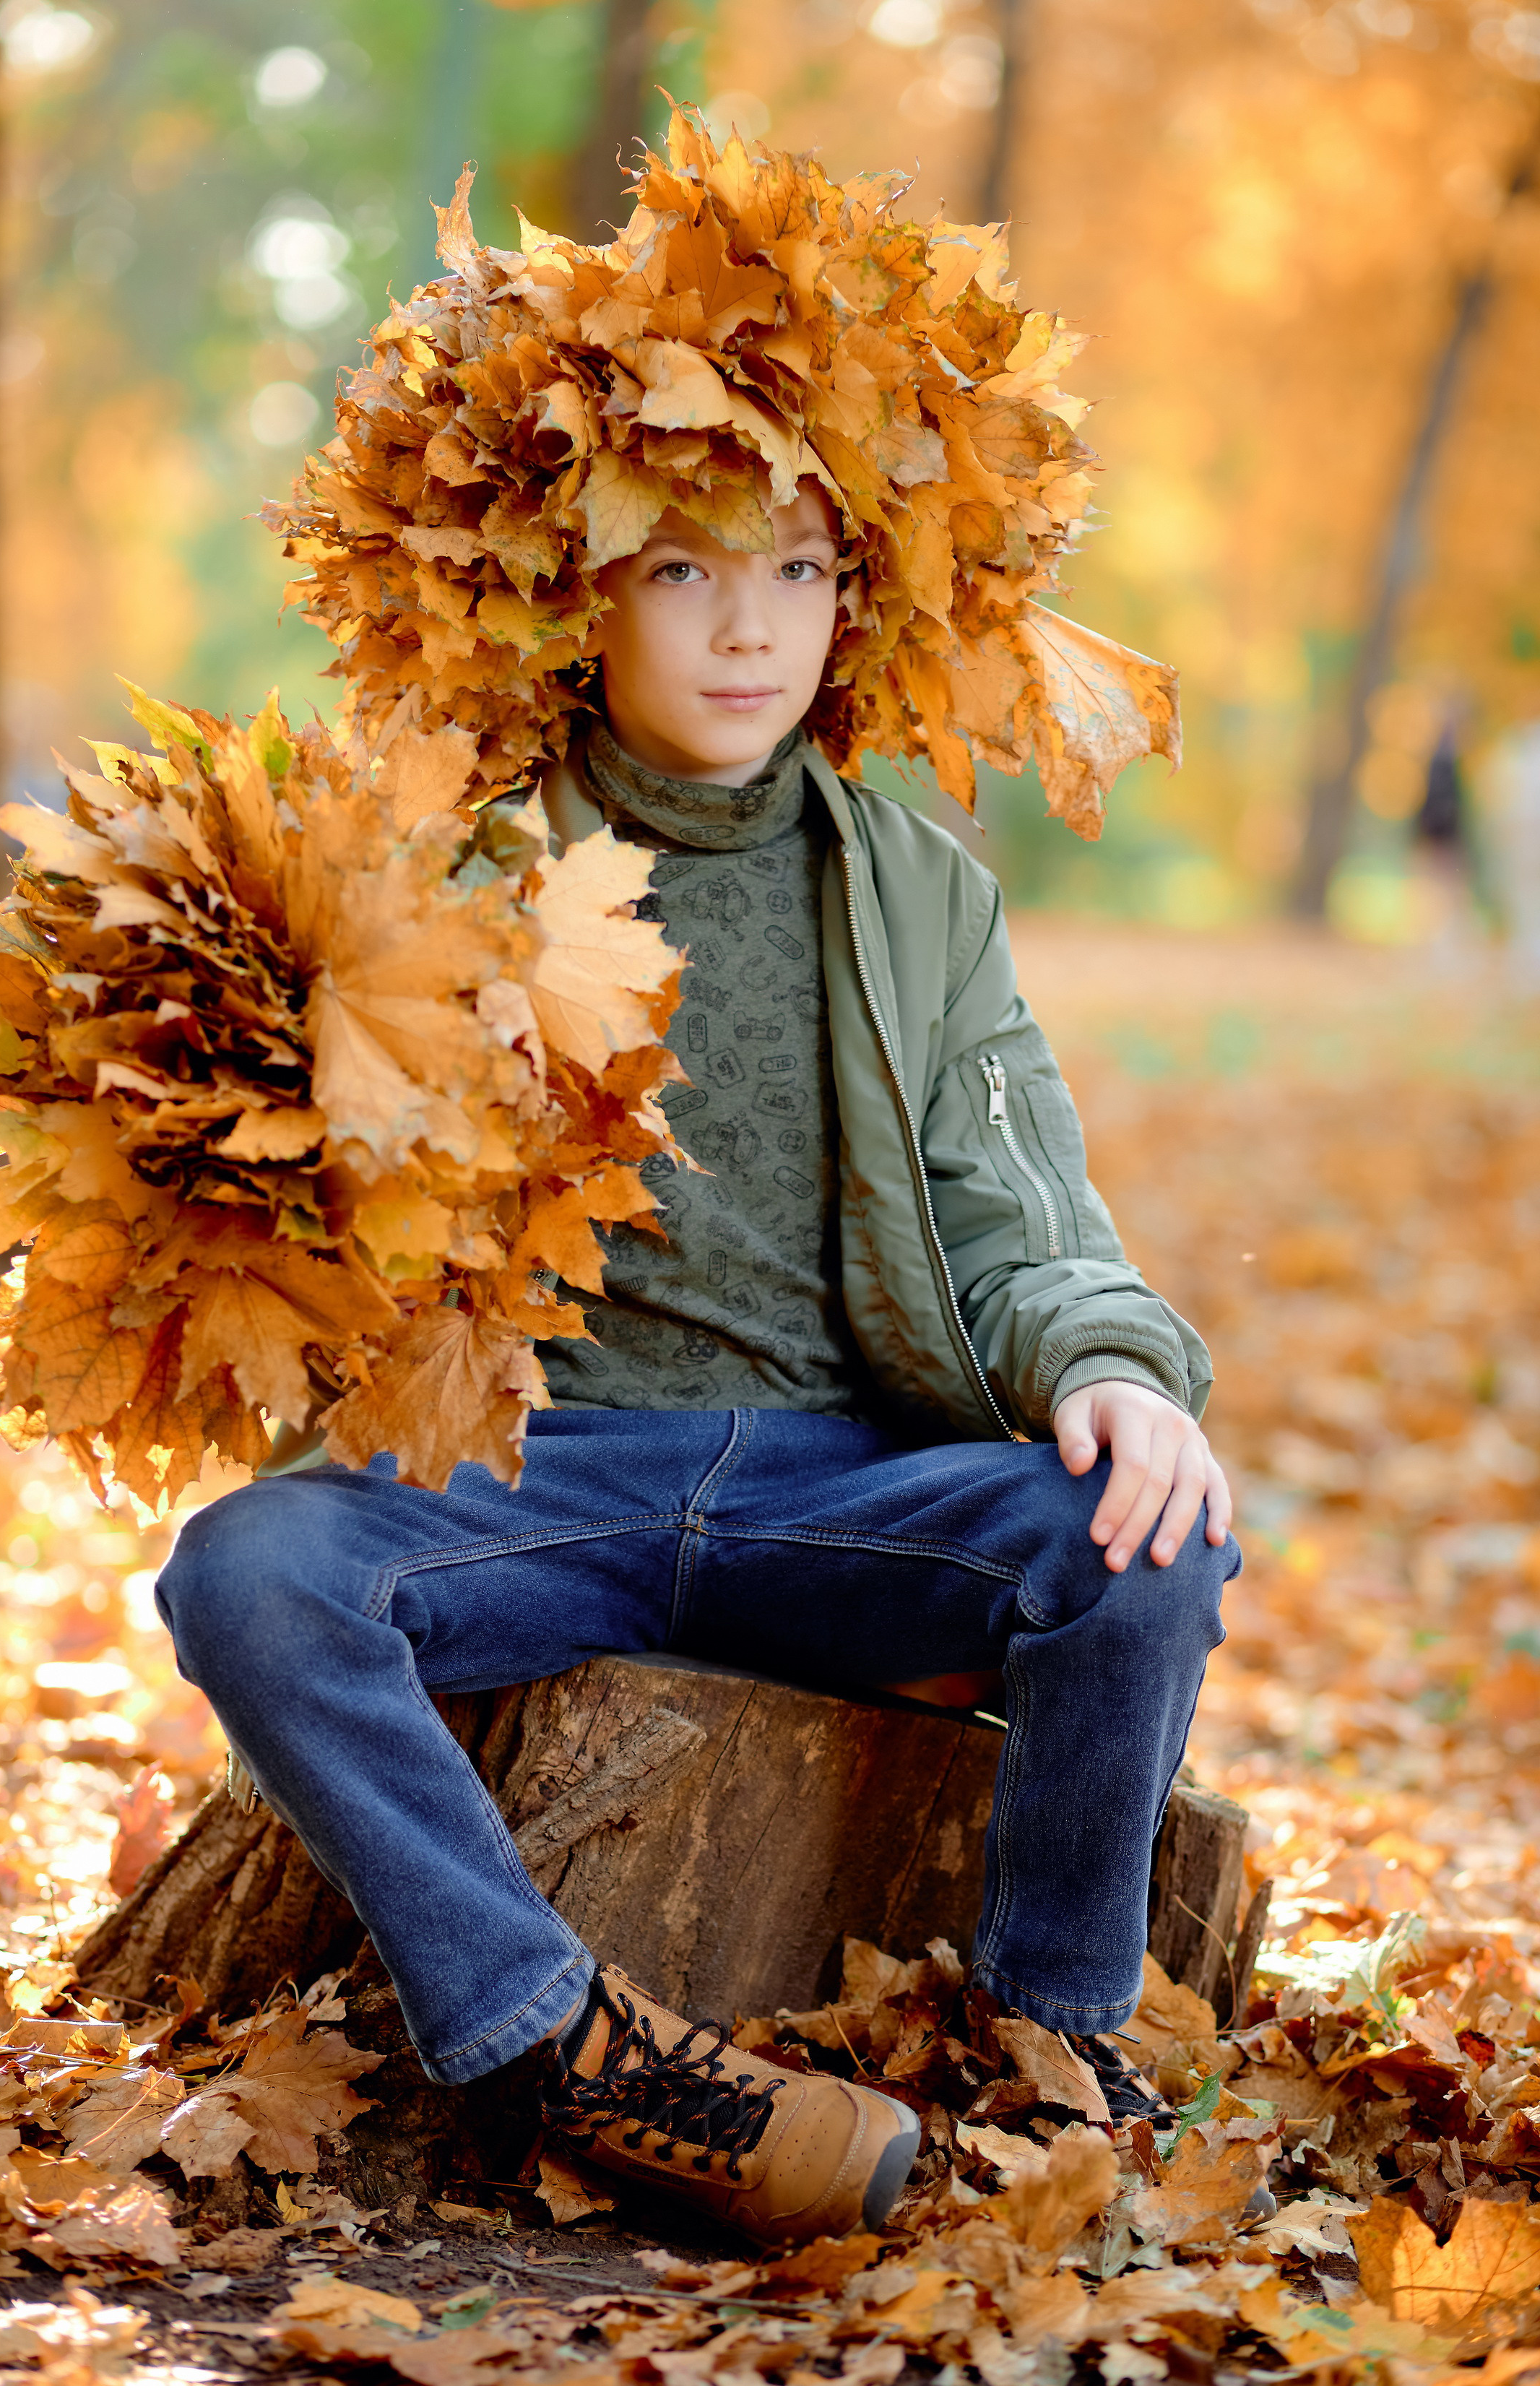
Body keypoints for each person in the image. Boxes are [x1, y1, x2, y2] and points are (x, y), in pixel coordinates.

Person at [157, 130, 1241, 2252]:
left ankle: (1053, 2043)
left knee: (1146, 1547)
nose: (751, 630)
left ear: (859, 598)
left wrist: (1115, 1365)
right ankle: (571, 2051)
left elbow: (1014, 1191)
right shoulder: (450, 859)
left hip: (843, 1481)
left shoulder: (909, 883)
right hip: (533, 1482)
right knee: (249, 1577)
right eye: (685, 565)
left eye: (800, 574)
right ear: (584, 579)